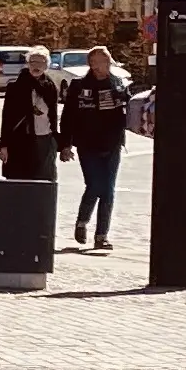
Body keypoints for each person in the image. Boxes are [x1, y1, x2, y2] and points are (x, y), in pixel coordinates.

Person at [59, 42, 134, 252]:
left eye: (103, 62)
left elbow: (128, 110)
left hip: (112, 145)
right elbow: (67, 118)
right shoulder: (78, 86)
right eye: (95, 63)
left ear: (110, 62)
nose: (99, 67)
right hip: (87, 144)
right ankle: (82, 221)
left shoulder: (118, 83)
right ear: (89, 64)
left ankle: (102, 235)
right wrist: (65, 145)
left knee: (108, 190)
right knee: (94, 186)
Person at [0, 44, 62, 181]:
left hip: (44, 137)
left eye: (40, 62)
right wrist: (4, 145)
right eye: (32, 62)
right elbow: (7, 118)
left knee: (43, 180)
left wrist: (58, 142)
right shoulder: (16, 87)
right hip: (20, 139)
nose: (36, 66)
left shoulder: (50, 88)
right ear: (27, 64)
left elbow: (53, 116)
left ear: (47, 65)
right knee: (19, 180)